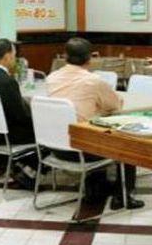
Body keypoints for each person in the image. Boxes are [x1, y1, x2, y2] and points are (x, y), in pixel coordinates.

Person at [46, 37, 144, 210]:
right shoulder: (93, 81)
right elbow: (115, 105)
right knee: (127, 142)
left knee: (91, 129)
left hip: (55, 147)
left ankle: (96, 188)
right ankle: (122, 196)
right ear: (90, 58)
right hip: (83, 150)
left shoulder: (52, 78)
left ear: (65, 56)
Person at [0, 38, 36, 188]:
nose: (15, 59)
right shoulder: (7, 82)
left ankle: (21, 166)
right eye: (14, 56)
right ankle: (30, 172)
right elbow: (21, 116)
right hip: (11, 135)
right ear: (7, 56)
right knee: (49, 134)